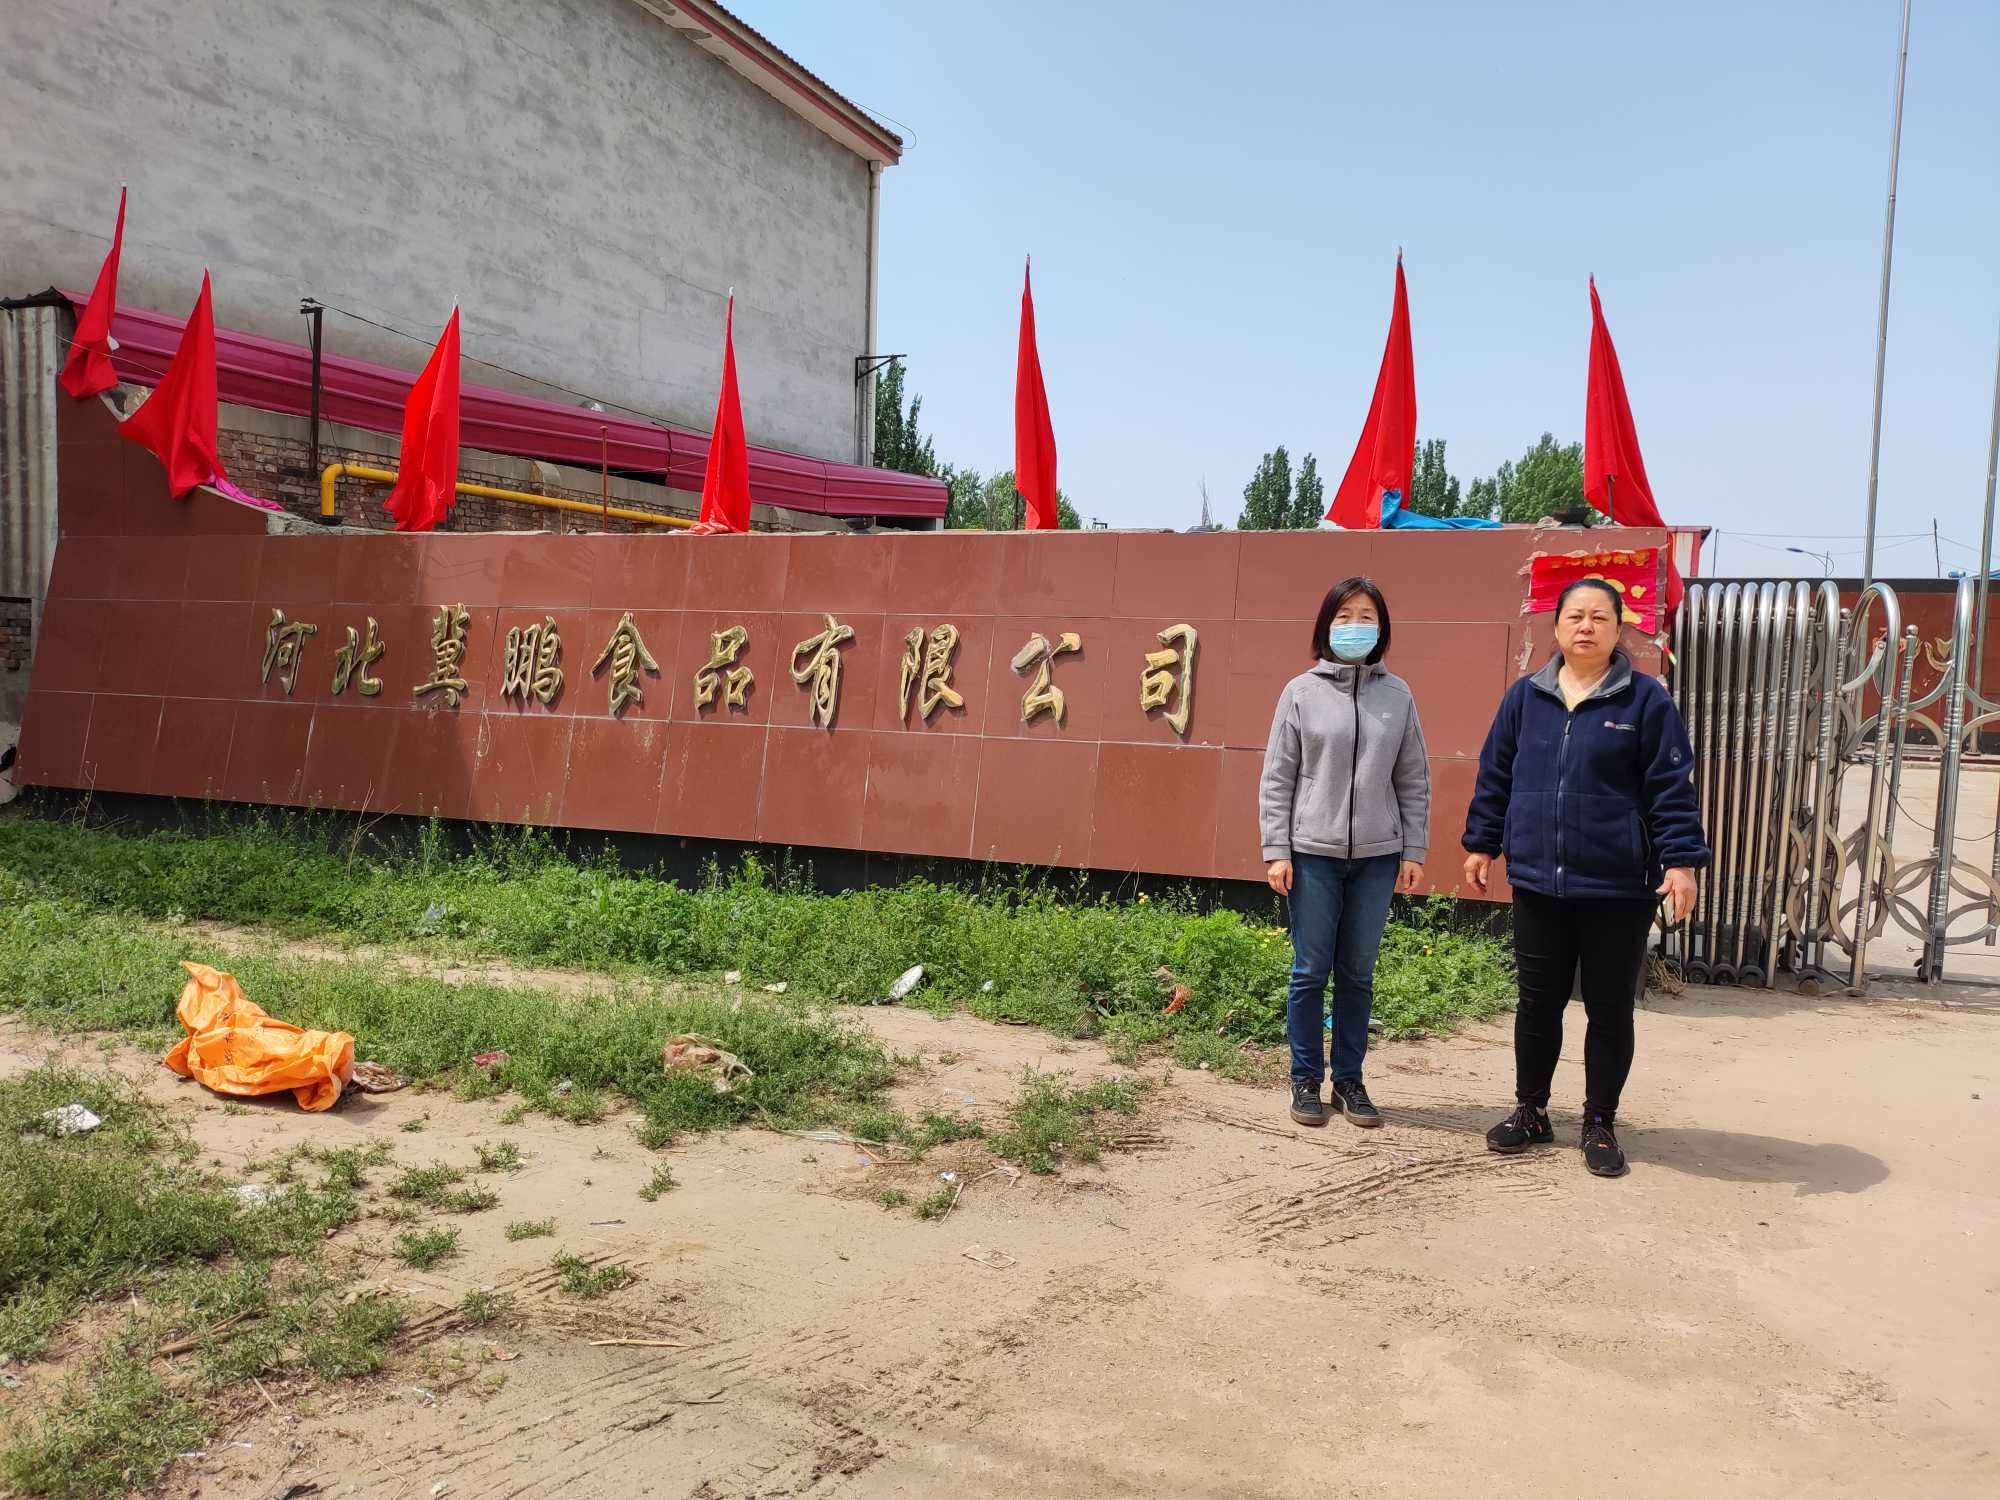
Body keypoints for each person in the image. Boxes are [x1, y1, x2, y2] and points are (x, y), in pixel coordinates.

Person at [1461, 576, 1708, 1177]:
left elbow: (1670, 788)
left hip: (1618, 887)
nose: (1586, 626)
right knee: (1536, 1003)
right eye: (1575, 616)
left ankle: (1600, 1121)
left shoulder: (1645, 701)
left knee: (1609, 1008)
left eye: (1600, 616)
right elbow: (1496, 774)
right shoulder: (1525, 698)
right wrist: (1482, 844)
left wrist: (1680, 863)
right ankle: (1532, 1112)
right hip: (1538, 882)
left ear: (1620, 629)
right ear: (1556, 627)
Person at [1259, 577, 1430, 1130]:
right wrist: (1276, 849)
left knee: (1357, 973)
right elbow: (1278, 777)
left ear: (1381, 629)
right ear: (1326, 625)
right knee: (1310, 971)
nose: (1355, 626)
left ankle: (1349, 1081)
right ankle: (1305, 1078)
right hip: (1312, 852)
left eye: (1366, 617)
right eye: (1345, 616)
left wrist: (1413, 848)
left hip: (1379, 856)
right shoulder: (1300, 693)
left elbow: (1413, 778)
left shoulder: (1397, 695)